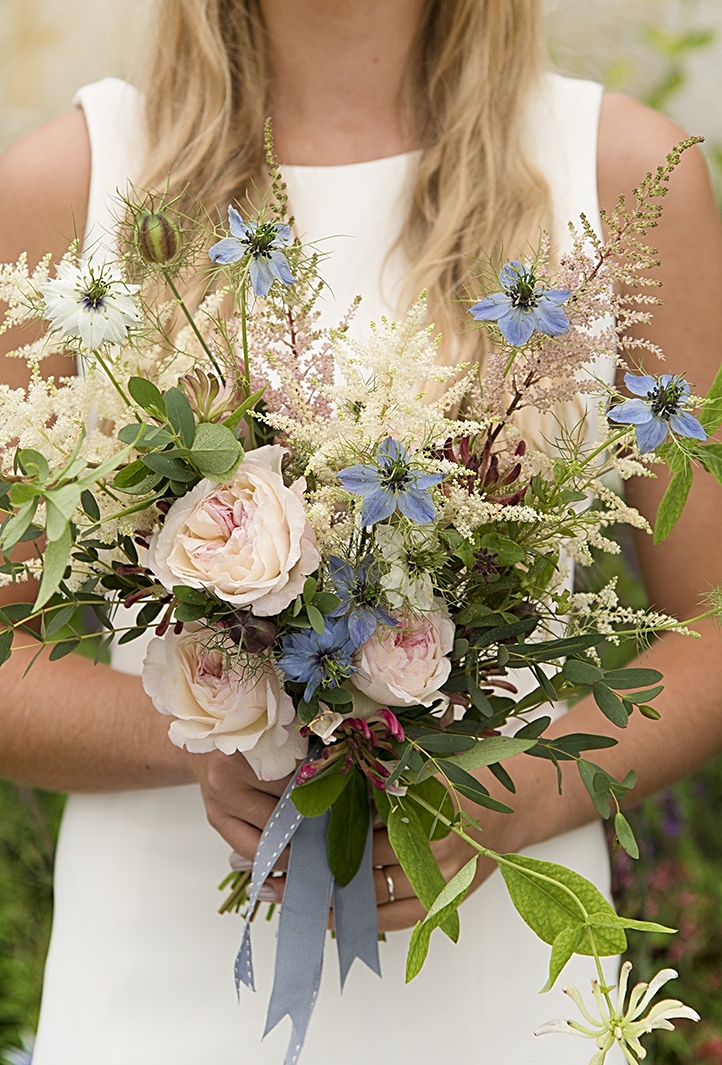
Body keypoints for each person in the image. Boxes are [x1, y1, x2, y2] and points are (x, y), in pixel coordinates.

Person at [0, 1, 721, 1062]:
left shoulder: (615, 173)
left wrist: (523, 793)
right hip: (163, 983)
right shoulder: (73, 180)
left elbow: (709, 623)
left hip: (498, 975)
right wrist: (205, 737)